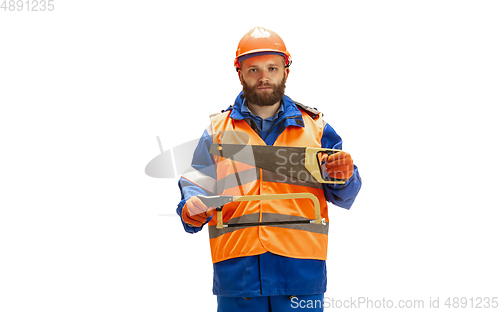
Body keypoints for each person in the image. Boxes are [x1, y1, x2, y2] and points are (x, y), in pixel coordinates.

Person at [176, 26, 362, 312]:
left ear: (286, 70)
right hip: (239, 275)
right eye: (253, 69)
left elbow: (344, 191)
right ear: (239, 73)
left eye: (272, 68)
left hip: (300, 273)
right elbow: (197, 182)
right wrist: (191, 206)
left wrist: (343, 176)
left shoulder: (316, 128)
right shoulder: (217, 132)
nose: (263, 77)